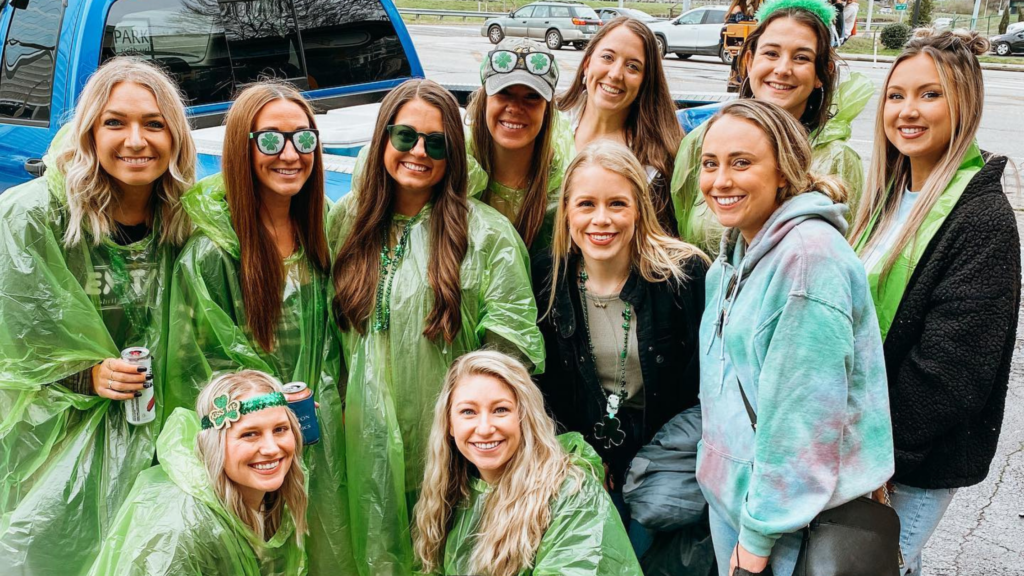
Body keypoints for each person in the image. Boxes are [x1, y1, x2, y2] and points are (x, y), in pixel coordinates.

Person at [329, 79, 544, 576]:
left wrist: (478, 447)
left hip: (457, 457)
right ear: (382, 138)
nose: (419, 152)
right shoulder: (346, 224)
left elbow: (510, 360)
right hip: (363, 453)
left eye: (437, 142)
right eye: (405, 137)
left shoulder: (487, 236)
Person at [0, 57, 194, 575]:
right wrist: (86, 375)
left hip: (159, 424)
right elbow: (16, 341)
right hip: (57, 432)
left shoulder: (185, 220)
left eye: (154, 123)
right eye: (116, 122)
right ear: (89, 131)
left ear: (176, 137)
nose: (136, 141)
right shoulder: (35, 215)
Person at [162, 81, 355, 574]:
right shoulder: (213, 254)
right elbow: (196, 369)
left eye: (303, 139)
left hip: (319, 437)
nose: (290, 154)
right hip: (252, 452)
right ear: (240, 148)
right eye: (270, 140)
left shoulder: (323, 232)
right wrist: (265, 428)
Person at [696, 99, 894, 576]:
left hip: (792, 526)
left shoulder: (808, 261)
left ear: (783, 172)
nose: (720, 180)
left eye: (741, 163)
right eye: (710, 164)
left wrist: (758, 541)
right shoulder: (736, 254)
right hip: (737, 502)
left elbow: (801, 423)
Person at [850, 30, 1020, 575]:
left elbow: (953, 372)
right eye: (896, 95)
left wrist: (881, 457)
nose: (907, 111)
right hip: (854, 446)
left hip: (910, 460)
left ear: (964, 103)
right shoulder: (882, 199)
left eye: (930, 94)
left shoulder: (982, 220)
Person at [533, 140, 708, 553]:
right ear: (567, 213)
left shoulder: (683, 276)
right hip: (586, 443)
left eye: (617, 204)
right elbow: (545, 386)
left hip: (666, 447)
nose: (601, 220)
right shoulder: (548, 275)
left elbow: (706, 383)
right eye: (586, 205)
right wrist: (580, 456)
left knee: (648, 537)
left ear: (639, 210)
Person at [413, 350, 642, 576]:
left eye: (500, 410)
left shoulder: (572, 495)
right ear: (450, 424)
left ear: (525, 418)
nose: (484, 428)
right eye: (468, 412)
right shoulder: (452, 495)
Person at [672, 0, 872, 254]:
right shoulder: (703, 141)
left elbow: (844, 257)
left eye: (801, 57)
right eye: (771, 53)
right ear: (750, 60)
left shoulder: (839, 159)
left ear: (822, 73)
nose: (782, 69)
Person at [89, 371, 307, 575]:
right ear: (214, 445)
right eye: (250, 434)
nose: (271, 448)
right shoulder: (181, 527)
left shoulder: (268, 500)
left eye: (280, 429)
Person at [557, 17, 683, 235]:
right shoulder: (548, 123)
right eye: (607, 57)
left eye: (632, 67)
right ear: (587, 64)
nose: (615, 74)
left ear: (645, 81)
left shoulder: (657, 162)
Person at [468, 38, 574, 254]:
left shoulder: (565, 183)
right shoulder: (456, 165)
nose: (515, 108)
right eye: (504, 93)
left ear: (547, 108)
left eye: (532, 97)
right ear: (484, 99)